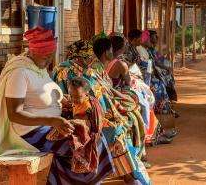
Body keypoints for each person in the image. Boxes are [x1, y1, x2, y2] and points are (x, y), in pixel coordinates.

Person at [0, 27, 113, 184]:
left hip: (48, 126)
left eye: (51, 57)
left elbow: (41, 97)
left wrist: (67, 101)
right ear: (33, 52)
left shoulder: (39, 68)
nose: (49, 61)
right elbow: (14, 113)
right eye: (46, 57)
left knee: (94, 136)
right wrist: (52, 121)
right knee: (81, 145)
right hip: (30, 133)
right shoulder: (19, 73)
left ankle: (57, 180)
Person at [53, 38, 151, 185]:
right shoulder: (66, 71)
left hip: (97, 113)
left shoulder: (90, 69)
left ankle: (130, 176)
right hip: (79, 118)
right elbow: (71, 100)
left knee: (127, 119)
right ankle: (129, 177)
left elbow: (105, 93)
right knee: (115, 131)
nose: (91, 59)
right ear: (81, 56)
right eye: (89, 56)